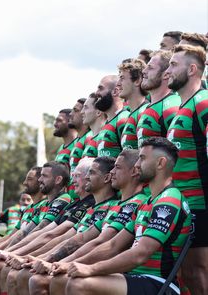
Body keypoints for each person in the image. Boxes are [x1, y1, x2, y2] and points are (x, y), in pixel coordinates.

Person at [53, 137, 191, 295]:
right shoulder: (147, 202)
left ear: (160, 163)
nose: (137, 165)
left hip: (160, 282)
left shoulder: (169, 200)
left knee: (78, 284)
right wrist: (68, 264)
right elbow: (113, 245)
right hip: (135, 277)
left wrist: (91, 269)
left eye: (142, 158)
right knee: (60, 278)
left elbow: (141, 254)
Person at [5, 157, 118, 295]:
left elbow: (94, 242)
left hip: (100, 267)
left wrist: (47, 260)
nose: (86, 177)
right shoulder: (91, 208)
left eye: (90, 173)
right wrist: (33, 257)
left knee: (28, 277)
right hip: (75, 262)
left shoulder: (111, 206)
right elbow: (66, 236)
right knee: (10, 269)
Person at [47, 149, 148, 295]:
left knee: (56, 281)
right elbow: (80, 238)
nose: (112, 172)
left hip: (131, 273)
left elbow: (106, 244)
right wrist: (49, 259)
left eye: (117, 168)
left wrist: (65, 263)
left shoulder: (138, 203)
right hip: (112, 270)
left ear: (134, 171)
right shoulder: (114, 206)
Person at [0, 161, 73, 295]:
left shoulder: (63, 199)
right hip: (30, 251)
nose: (40, 179)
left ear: (58, 180)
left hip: (43, 254)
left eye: (44, 176)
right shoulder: (42, 205)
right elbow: (23, 232)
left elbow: (43, 233)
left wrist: (9, 252)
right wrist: (0, 250)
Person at [166, 44, 208, 295]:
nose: (168, 70)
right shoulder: (182, 107)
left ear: (192, 69)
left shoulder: (203, 102)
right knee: (186, 274)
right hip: (184, 203)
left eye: (173, 64)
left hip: (200, 203)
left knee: (197, 271)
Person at [137, 50, 181, 147]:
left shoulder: (172, 106)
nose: (144, 71)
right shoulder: (146, 108)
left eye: (150, 68)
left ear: (166, 74)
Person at [117, 58, 149, 150]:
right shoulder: (132, 113)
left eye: (122, 78)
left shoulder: (144, 112)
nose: (118, 83)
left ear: (137, 80)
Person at [95, 75, 130, 157]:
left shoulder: (124, 119)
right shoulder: (106, 124)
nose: (96, 93)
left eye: (101, 88)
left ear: (115, 91)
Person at [81, 93, 106, 158]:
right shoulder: (89, 139)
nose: (82, 112)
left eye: (86, 107)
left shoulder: (105, 137)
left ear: (98, 112)